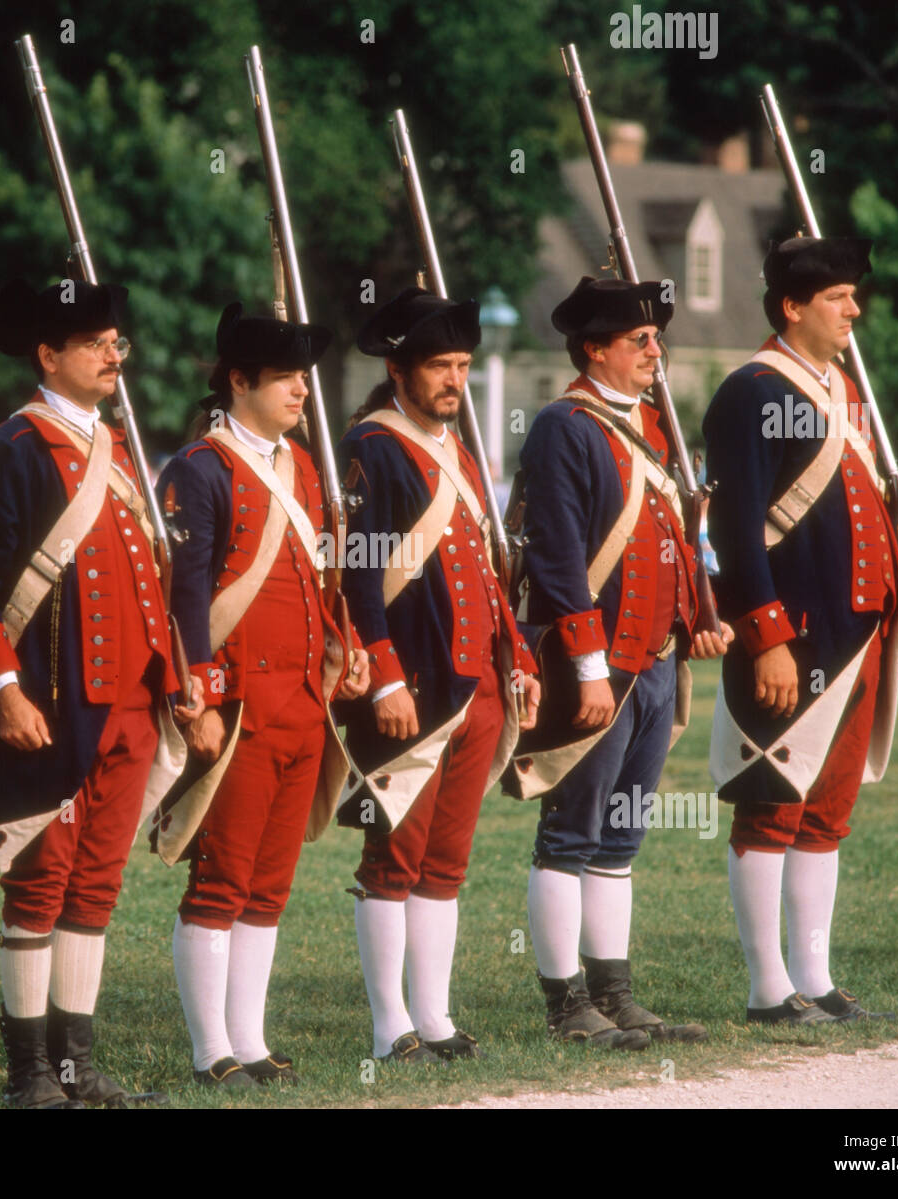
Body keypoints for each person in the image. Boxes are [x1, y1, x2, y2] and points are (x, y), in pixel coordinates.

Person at [0, 279, 200, 1107]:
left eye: (116, 342)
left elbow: (147, 581)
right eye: (95, 343)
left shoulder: (114, 446)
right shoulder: (15, 448)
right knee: (40, 879)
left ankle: (75, 1066)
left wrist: (178, 675)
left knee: (96, 882)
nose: (112, 355)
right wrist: (6, 689)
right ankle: (28, 1072)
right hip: (53, 705)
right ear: (48, 356)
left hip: (130, 704)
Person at [702, 237, 898, 1024]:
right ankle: (768, 988)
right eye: (838, 297)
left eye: (852, 294)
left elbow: (868, 510)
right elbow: (735, 530)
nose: (855, 310)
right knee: (769, 803)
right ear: (792, 307)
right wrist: (764, 634)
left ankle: (815, 976)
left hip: (859, 634)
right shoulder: (751, 391)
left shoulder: (841, 391)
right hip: (796, 636)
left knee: (826, 814)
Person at [514, 277, 731, 1048]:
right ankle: (565, 1001)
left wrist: (699, 619)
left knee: (620, 836)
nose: (654, 350)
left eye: (656, 338)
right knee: (570, 835)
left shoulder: (653, 427)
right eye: (638, 339)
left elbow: (679, 541)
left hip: (656, 661)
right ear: (594, 348)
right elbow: (561, 557)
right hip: (597, 667)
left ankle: (615, 991)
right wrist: (587, 663)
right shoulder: (564, 427)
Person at [156, 304, 369, 1088]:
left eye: (303, 378)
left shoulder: (304, 467)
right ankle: (209, 1048)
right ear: (239, 381)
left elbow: (318, 578)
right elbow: (184, 596)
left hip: (303, 704)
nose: (301, 392)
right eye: (284, 378)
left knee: (269, 883)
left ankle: (249, 1037)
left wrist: (345, 650)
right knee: (220, 876)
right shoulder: (199, 468)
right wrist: (199, 699)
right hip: (239, 705)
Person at [337, 287, 540, 1064]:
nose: (455, 379)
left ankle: (437, 1017)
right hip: (412, 689)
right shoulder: (373, 448)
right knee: (393, 857)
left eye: (461, 364)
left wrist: (516, 657)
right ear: (398, 370)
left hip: (476, 688)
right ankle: (392, 1026)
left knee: (444, 864)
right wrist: (383, 674)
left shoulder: (457, 448)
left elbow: (490, 573)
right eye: (439, 366)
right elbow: (358, 574)